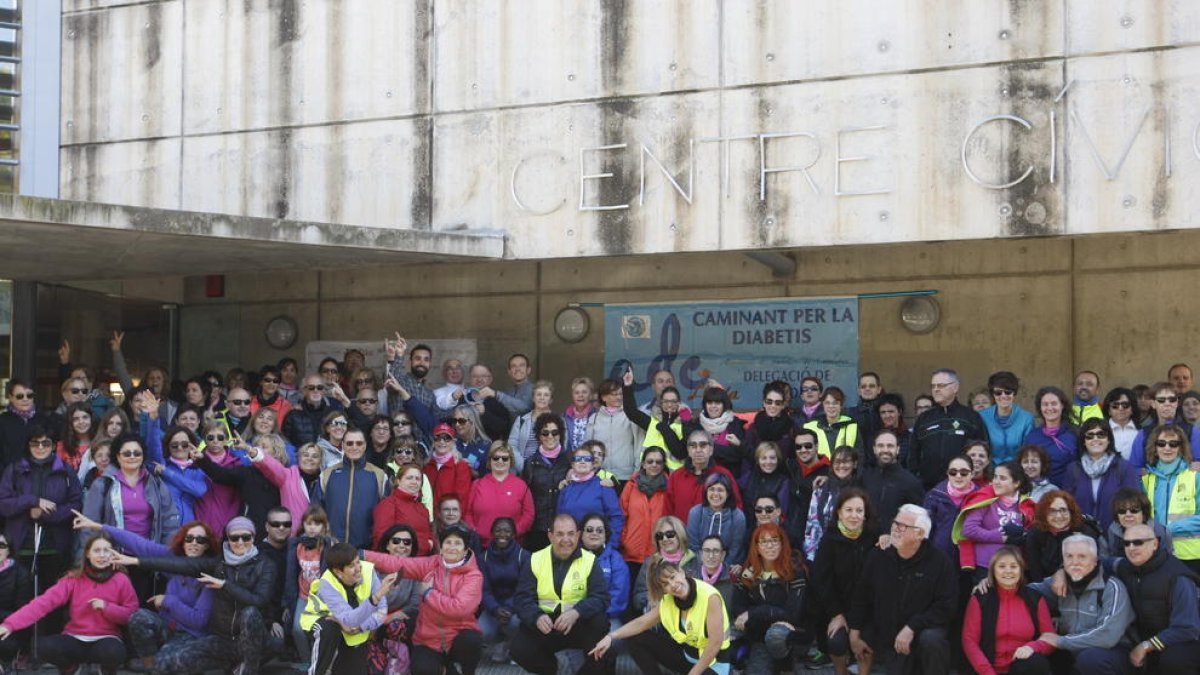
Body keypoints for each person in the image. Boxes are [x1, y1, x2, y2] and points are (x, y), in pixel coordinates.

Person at [114, 516, 280, 675]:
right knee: (161, 665)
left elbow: (259, 600)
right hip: (222, 640)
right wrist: (135, 561)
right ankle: (230, 664)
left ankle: (248, 669)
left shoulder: (266, 564)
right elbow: (179, 564)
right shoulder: (218, 564)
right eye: (234, 538)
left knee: (249, 613)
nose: (240, 542)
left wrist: (225, 585)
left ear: (254, 537)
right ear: (228, 539)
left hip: (251, 639)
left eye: (246, 537)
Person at [75, 515, 217, 672]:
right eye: (189, 538)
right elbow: (139, 544)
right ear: (183, 541)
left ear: (207, 546)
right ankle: (151, 666)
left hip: (191, 635)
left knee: (166, 662)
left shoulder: (210, 572)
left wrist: (168, 601)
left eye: (200, 540)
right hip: (168, 627)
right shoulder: (173, 556)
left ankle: (165, 665)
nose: (194, 543)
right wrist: (99, 526)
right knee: (139, 617)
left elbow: (199, 621)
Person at [0, 532, 137, 675]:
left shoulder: (122, 579)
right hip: (75, 637)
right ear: (88, 554)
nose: (102, 555)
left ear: (113, 554)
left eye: (107, 550)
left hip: (106, 638)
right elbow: (42, 603)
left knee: (115, 652)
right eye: (97, 550)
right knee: (42, 647)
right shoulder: (74, 578)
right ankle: (71, 667)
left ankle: (106, 669)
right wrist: (9, 625)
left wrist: (108, 608)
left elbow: (132, 614)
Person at [848, 504, 957, 675]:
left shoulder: (940, 562)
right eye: (895, 523)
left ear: (920, 534)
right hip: (889, 632)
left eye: (903, 526)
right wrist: (854, 634)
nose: (895, 529)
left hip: (922, 631)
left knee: (932, 640)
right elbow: (861, 596)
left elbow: (946, 606)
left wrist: (912, 627)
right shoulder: (878, 555)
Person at [589, 558, 731, 675]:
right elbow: (641, 623)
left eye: (673, 577)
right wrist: (610, 637)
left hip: (713, 664)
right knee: (636, 639)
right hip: (687, 656)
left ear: (681, 572)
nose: (673, 585)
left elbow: (715, 644)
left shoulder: (710, 597)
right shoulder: (668, 600)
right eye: (666, 584)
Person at [510, 513, 612, 675]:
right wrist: (536, 616)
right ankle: (555, 669)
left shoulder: (589, 561)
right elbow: (522, 598)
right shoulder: (534, 559)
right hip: (546, 624)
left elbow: (601, 597)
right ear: (550, 536)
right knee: (518, 649)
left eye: (571, 534)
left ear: (578, 535)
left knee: (601, 627)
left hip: (578, 622)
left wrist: (577, 611)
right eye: (560, 534)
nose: (566, 539)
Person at [1027, 533, 1135, 674]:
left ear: (1095, 560)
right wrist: (992, 581)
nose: (1074, 562)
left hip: (1112, 651)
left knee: (1091, 659)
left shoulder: (1111, 587)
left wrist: (1060, 641)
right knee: (1036, 657)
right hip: (1073, 649)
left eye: (1082, 557)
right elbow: (1025, 591)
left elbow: (1108, 636)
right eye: (1069, 556)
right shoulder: (1059, 583)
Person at [0, 423, 84, 596]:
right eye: (35, 443)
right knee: (21, 600)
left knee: (53, 600)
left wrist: (45, 515)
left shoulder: (66, 472)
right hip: (21, 545)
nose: (40, 447)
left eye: (45, 443)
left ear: (54, 446)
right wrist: (32, 502)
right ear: (28, 445)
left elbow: (76, 504)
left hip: (55, 546)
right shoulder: (14, 470)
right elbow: (3, 504)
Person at [1113, 523, 1200, 672]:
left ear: (1155, 544)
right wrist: (1062, 572)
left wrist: (1147, 646)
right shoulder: (1124, 567)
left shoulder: (1177, 577)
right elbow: (1092, 561)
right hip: (1141, 640)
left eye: (1138, 542)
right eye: (1126, 543)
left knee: (1175, 659)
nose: (1131, 548)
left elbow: (1187, 628)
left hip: (1178, 643)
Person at [299, 542, 395, 675]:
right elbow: (349, 620)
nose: (358, 568)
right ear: (338, 572)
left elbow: (381, 611)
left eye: (357, 562)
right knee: (329, 629)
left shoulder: (368, 571)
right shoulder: (326, 583)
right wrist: (376, 596)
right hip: (321, 619)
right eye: (351, 566)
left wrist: (361, 628)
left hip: (354, 625)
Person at [961, 545, 1054, 674]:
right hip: (986, 669)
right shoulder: (981, 598)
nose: (1008, 571)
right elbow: (969, 640)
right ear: (993, 570)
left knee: (1037, 663)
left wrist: (1032, 647)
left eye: (1014, 566)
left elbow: (1050, 637)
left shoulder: (1034, 598)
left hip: (1021, 667)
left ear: (1021, 570)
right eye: (1002, 566)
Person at [812, 488, 875, 675]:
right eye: (848, 510)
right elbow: (822, 581)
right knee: (836, 641)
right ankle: (842, 672)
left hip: (868, 609)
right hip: (839, 608)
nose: (854, 516)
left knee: (868, 638)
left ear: (865, 514)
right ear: (839, 512)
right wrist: (837, 613)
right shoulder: (829, 541)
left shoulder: (874, 538)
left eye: (859, 511)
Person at [731, 523, 809, 673]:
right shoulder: (748, 572)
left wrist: (754, 613)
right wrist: (768, 615)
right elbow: (738, 609)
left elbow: (793, 614)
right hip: (757, 634)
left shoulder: (795, 570)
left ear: (782, 544)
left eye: (775, 540)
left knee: (776, 635)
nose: (770, 546)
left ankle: (786, 668)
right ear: (757, 547)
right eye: (764, 541)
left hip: (787, 633)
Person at [909, 369, 989, 490]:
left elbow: (984, 450)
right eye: (933, 386)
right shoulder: (924, 419)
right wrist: (916, 479)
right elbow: (913, 454)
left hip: (963, 487)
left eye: (941, 385)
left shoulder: (971, 417)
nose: (936, 389)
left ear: (955, 387)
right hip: (929, 488)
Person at [954, 461, 1036, 576]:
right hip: (985, 566)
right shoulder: (984, 499)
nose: (996, 482)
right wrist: (1001, 537)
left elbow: (1032, 533)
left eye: (1002, 478)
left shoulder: (1026, 504)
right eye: (995, 477)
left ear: (1016, 483)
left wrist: (1024, 535)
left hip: (1014, 567)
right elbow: (969, 530)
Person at [1061, 418, 1142, 531]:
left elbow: (1136, 503)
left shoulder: (1124, 467)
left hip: (1116, 535)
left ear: (1109, 439)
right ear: (1083, 441)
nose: (1095, 439)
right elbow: (1065, 505)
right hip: (1082, 536)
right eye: (1090, 436)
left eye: (1101, 434)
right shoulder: (1073, 469)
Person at [1141, 424, 1200, 573]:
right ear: (1155, 447)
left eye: (1173, 444)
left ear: (1181, 447)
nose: (1167, 448)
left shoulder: (1195, 476)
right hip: (1156, 553)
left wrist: (1169, 529)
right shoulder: (1146, 479)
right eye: (1161, 443)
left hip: (1190, 555)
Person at [320, 425, 390, 548]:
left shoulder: (379, 475)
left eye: (359, 443)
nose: (354, 447)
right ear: (343, 445)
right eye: (349, 443)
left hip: (366, 549)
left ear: (365, 445)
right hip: (332, 548)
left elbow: (386, 515)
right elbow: (317, 511)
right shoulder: (327, 474)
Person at [283, 504, 334, 666]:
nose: (312, 528)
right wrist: (286, 602)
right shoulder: (297, 545)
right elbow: (291, 574)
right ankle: (306, 661)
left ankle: (320, 664)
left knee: (319, 631)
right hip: (303, 595)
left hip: (323, 598)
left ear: (324, 526)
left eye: (317, 524)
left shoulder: (328, 546)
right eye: (309, 523)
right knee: (297, 629)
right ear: (303, 524)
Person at [665, 429, 743, 522]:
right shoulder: (676, 476)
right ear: (688, 450)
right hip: (682, 534)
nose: (698, 450)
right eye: (693, 446)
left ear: (711, 449)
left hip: (714, 535)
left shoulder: (724, 474)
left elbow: (736, 508)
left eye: (703, 445)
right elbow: (667, 510)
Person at [478, 518, 528, 663]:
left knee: (514, 624)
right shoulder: (484, 558)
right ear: (492, 533)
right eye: (498, 530)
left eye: (507, 531)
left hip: (516, 607)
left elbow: (523, 589)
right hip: (493, 608)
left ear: (513, 534)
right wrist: (496, 609)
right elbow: (484, 590)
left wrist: (509, 608)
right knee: (481, 631)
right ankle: (499, 644)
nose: (502, 534)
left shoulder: (524, 556)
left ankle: (513, 647)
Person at [1023, 490, 1101, 583]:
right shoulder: (1035, 534)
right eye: (1052, 511)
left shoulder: (1085, 532)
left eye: (1063, 510)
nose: (1059, 516)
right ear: (1044, 513)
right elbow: (1035, 571)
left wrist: (1062, 573)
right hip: (1046, 586)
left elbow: (1090, 566)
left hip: (1080, 583)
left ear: (1071, 511)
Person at [557, 440, 625, 544]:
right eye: (578, 458)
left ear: (593, 464)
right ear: (573, 464)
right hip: (571, 547)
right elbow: (560, 519)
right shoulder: (566, 489)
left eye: (587, 459)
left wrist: (610, 544)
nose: (582, 461)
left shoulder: (604, 486)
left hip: (597, 547)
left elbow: (616, 518)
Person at [522, 413, 572, 551]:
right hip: (538, 527)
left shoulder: (570, 459)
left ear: (560, 434)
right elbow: (524, 496)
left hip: (564, 526)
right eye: (545, 433)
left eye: (555, 432)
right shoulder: (530, 462)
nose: (550, 436)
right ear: (539, 436)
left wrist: (609, 479)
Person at [619, 446, 670, 578]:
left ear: (664, 465)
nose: (654, 465)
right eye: (650, 461)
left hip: (658, 556)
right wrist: (625, 541)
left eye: (658, 462)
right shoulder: (631, 485)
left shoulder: (670, 488)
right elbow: (621, 515)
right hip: (631, 554)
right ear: (643, 464)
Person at [802, 446, 858, 561]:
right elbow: (812, 523)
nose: (841, 466)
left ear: (855, 464)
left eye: (846, 461)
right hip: (824, 551)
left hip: (852, 553)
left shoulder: (861, 490)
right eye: (837, 462)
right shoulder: (821, 488)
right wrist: (811, 555)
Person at [860, 429, 924, 529]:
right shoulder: (865, 478)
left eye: (890, 446)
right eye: (880, 446)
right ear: (874, 449)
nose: (885, 450)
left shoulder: (910, 482)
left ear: (898, 449)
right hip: (866, 541)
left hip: (896, 541)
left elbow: (918, 521)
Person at [622, 369, 687, 469]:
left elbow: (681, 453)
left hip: (675, 478)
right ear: (661, 403)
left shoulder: (685, 423)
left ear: (679, 403)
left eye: (673, 401)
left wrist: (665, 428)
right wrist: (627, 386)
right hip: (651, 476)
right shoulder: (653, 422)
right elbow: (631, 412)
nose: (669, 404)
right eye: (665, 401)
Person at [924, 454, 982, 563]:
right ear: (947, 474)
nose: (958, 476)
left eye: (964, 472)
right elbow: (925, 530)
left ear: (972, 474)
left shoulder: (982, 497)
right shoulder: (934, 495)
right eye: (953, 472)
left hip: (971, 559)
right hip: (939, 556)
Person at [632, 516, 694, 614]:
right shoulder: (650, 563)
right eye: (660, 536)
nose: (664, 539)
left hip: (692, 613)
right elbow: (638, 597)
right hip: (660, 616)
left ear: (680, 534)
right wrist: (655, 599)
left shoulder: (695, 559)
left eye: (670, 534)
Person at [191, 420, 244, 534]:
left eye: (220, 437)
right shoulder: (194, 463)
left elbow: (238, 499)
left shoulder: (236, 464)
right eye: (210, 438)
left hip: (227, 523)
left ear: (226, 440)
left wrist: (229, 522)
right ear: (204, 439)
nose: (215, 441)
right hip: (200, 521)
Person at [580, 513, 629, 632]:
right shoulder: (571, 557)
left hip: (606, 616)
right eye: (589, 530)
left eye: (600, 530)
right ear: (581, 534)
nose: (594, 533)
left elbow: (618, 596)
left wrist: (596, 615)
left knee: (614, 638)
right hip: (576, 615)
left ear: (606, 534)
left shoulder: (615, 560)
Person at [586, 378, 642, 482]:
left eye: (620, 394)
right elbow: (587, 447)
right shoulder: (594, 418)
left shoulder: (631, 416)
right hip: (600, 475)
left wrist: (637, 470)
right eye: (614, 394)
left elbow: (639, 444)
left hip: (626, 476)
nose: (618, 397)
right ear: (603, 397)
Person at [687, 472, 748, 566]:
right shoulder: (695, 512)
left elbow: (735, 549)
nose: (715, 494)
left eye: (720, 490)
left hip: (727, 567)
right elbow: (693, 545)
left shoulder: (738, 517)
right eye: (712, 489)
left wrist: (721, 569)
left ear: (728, 493)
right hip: (699, 565)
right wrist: (706, 567)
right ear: (706, 492)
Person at [688, 385, 748, 477]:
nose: (713, 406)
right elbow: (693, 454)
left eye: (717, 403)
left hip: (729, 477)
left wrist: (708, 448)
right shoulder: (697, 424)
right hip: (702, 478)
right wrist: (723, 451)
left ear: (724, 405)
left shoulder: (734, 423)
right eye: (710, 402)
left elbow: (737, 455)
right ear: (705, 405)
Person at [1024, 386, 1079, 486]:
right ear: (1040, 408)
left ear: (1062, 405)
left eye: (1054, 404)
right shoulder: (1032, 437)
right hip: (1039, 494)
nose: (1049, 408)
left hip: (1070, 492)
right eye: (1045, 404)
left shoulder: (1075, 433)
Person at [979, 372, 1035, 464]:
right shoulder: (983, 416)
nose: (1003, 396)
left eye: (1008, 392)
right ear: (993, 394)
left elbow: (1027, 451)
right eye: (998, 393)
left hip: (1017, 470)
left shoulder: (1027, 419)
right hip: (989, 470)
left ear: (1014, 393)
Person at [787, 427, 829, 545]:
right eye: (798, 447)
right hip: (793, 536)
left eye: (808, 446)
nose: (803, 450)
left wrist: (831, 482)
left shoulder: (830, 472)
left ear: (817, 446)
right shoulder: (791, 467)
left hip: (818, 538)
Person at [1106, 487, 1173, 559]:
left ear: (1143, 513)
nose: (1128, 515)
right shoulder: (1113, 532)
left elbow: (1169, 561)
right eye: (1122, 511)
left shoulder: (1160, 532)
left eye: (1134, 510)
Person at [0, 380, 51, 470]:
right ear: (11, 397)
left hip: (38, 476)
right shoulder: (3, 421)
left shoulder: (43, 419)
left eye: (29, 395)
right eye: (20, 396)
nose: (25, 399)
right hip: (10, 477)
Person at [1132, 384, 1185, 468]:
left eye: (1172, 399)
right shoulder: (1143, 434)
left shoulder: (1192, 431)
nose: (1167, 404)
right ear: (1152, 404)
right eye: (1161, 400)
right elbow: (1135, 467)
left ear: (1177, 403)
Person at [739, 441, 791, 527]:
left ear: (778, 460)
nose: (768, 462)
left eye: (772, 458)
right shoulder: (749, 476)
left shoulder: (783, 482)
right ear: (758, 460)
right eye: (764, 458)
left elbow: (782, 513)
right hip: (748, 526)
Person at [744, 381, 798, 464]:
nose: (773, 406)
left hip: (784, 474)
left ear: (783, 405)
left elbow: (795, 458)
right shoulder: (753, 428)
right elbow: (747, 460)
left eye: (778, 403)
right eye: (769, 401)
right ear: (764, 403)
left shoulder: (791, 427)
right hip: (757, 474)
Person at [804, 386, 863, 462]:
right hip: (818, 471)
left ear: (841, 406)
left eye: (835, 403)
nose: (831, 406)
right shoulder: (810, 427)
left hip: (844, 471)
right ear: (823, 405)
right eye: (827, 403)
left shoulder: (852, 426)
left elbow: (860, 456)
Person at [508, 380, 556, 468]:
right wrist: (524, 467)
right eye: (538, 394)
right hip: (524, 471)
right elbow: (512, 446)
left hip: (549, 473)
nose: (542, 398)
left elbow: (562, 446)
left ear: (551, 400)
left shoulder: (558, 421)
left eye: (546, 395)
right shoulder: (521, 420)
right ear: (533, 398)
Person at [0, 531, 31, 664]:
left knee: (7, 645)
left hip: (8, 625)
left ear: (9, 550)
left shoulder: (20, 574)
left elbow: (21, 610)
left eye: (1, 545)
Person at [685, 534, 735, 614]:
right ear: (701, 554)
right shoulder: (689, 578)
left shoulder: (733, 579)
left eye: (716, 551)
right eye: (707, 550)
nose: (711, 556)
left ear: (723, 555)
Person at [874, 393, 912, 467]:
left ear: (899, 412)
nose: (887, 416)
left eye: (891, 411)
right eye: (883, 412)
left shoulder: (910, 438)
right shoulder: (874, 438)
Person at [1104, 387, 1141, 462]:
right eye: (1115, 405)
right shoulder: (1101, 431)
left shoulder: (1141, 431)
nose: (1120, 408)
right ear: (1109, 411)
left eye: (1125, 405)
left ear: (1132, 409)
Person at [563, 376, 597, 454]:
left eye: (584, 392)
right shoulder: (565, 417)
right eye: (577, 393)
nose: (580, 395)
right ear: (573, 396)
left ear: (591, 395)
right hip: (570, 462)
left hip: (591, 462)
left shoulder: (597, 416)